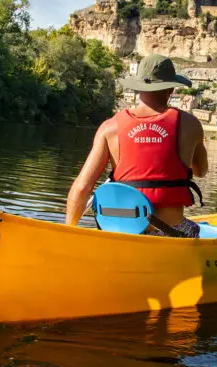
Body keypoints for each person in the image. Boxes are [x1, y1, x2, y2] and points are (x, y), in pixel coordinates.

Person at [66, 54, 208, 238]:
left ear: (137, 87)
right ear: (171, 88)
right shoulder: (190, 124)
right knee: (196, 229)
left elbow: (82, 187)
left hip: (120, 233)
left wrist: (68, 233)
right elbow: (201, 171)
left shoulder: (109, 127)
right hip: (169, 233)